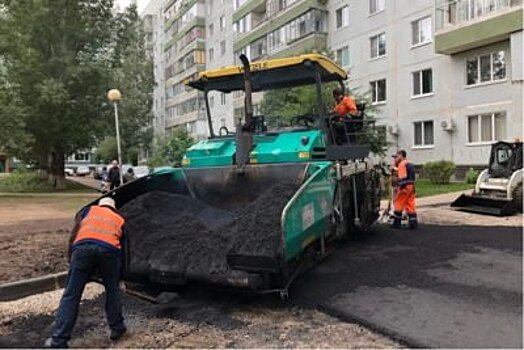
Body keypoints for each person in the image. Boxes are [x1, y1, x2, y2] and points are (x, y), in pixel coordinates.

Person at [45, 197, 126, 348]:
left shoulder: (87, 211)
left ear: (99, 205)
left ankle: (59, 340)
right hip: (109, 252)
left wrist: (72, 259)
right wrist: (120, 274)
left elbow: (73, 236)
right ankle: (117, 328)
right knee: (112, 290)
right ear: (114, 209)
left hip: (82, 250)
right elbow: (124, 249)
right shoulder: (119, 219)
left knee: (71, 295)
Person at [391, 150, 417, 229]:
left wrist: (402, 187)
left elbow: (402, 177)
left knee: (399, 203)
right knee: (410, 204)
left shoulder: (402, 164)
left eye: (397, 156)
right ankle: (413, 223)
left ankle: (397, 223)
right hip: (411, 186)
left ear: (401, 155)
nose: (396, 158)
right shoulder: (409, 163)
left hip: (404, 186)